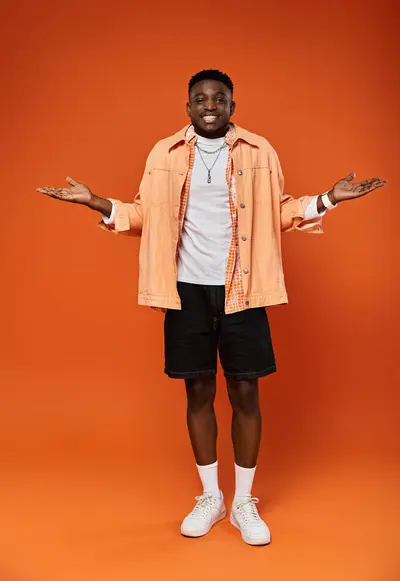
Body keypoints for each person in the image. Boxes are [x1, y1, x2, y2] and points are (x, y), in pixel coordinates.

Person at [37, 69, 386, 546]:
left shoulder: (260, 152)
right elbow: (142, 215)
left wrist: (327, 200)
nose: (209, 105)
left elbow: (280, 211)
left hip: (244, 289)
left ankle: (243, 501)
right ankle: (210, 497)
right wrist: (94, 201)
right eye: (199, 98)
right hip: (185, 293)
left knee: (246, 395)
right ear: (187, 107)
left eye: (218, 98)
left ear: (231, 107)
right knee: (197, 394)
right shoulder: (163, 154)